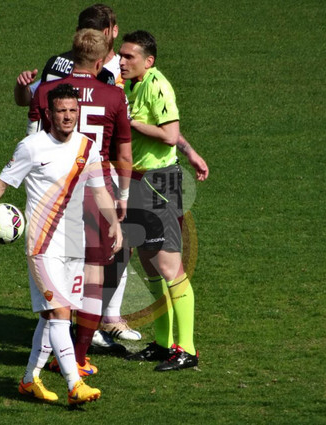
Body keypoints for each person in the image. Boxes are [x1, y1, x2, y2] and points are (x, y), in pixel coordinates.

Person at [0, 84, 122, 404]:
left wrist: (114, 223)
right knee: (60, 314)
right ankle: (73, 383)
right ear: (49, 114)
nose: (67, 116)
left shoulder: (87, 146)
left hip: (74, 243)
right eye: (61, 111)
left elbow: (99, 190)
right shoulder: (31, 147)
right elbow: (1, 183)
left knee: (48, 317)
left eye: (71, 110)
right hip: (42, 245)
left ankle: (29, 380)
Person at [16, 3, 144, 345]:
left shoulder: (48, 92)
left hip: (55, 188)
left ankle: (52, 340)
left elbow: (31, 140)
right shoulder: (114, 95)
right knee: (93, 273)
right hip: (98, 185)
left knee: (55, 264)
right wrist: (123, 198)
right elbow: (124, 153)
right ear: (102, 60)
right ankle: (82, 354)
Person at [119, 31, 205, 371]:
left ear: (148, 61)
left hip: (160, 184)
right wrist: (192, 151)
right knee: (150, 264)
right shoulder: (130, 83)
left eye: (129, 57)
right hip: (139, 180)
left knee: (170, 266)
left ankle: (188, 350)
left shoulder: (157, 86)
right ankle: (162, 343)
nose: (122, 61)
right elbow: (174, 135)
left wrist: (131, 124)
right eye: (121, 55)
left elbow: (168, 133)